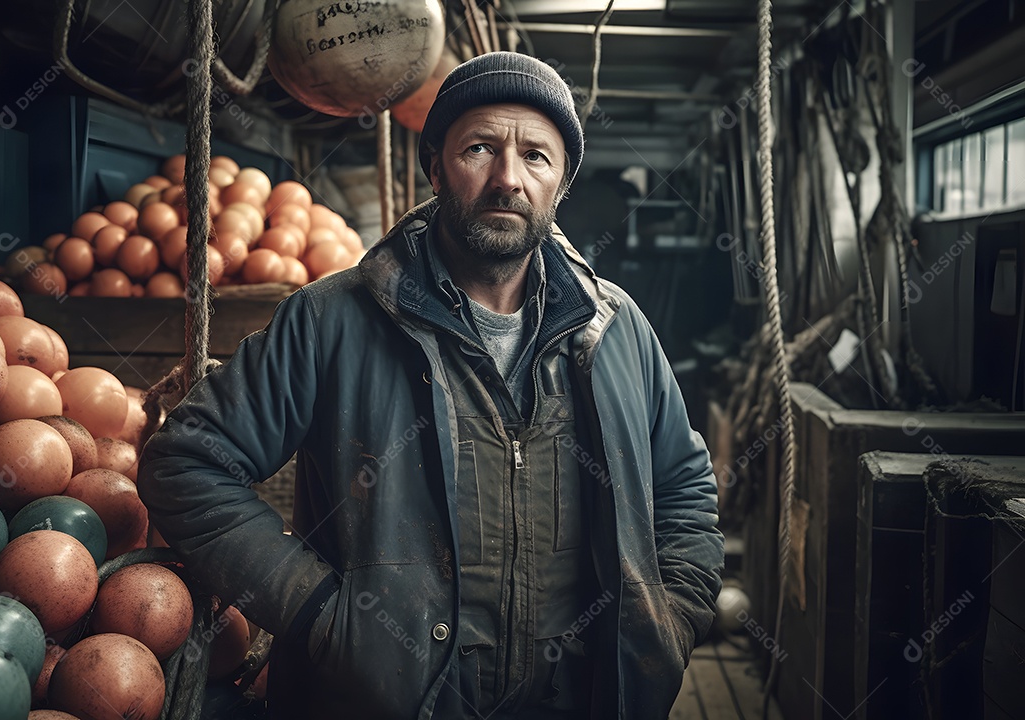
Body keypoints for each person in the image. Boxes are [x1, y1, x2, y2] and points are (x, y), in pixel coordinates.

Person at [139, 51, 723, 719]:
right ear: (436, 165)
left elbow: (684, 488)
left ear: (561, 184)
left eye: (536, 156)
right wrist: (321, 614)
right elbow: (186, 462)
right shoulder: (333, 319)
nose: (508, 178)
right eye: (480, 147)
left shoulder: (617, 332)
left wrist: (670, 621)